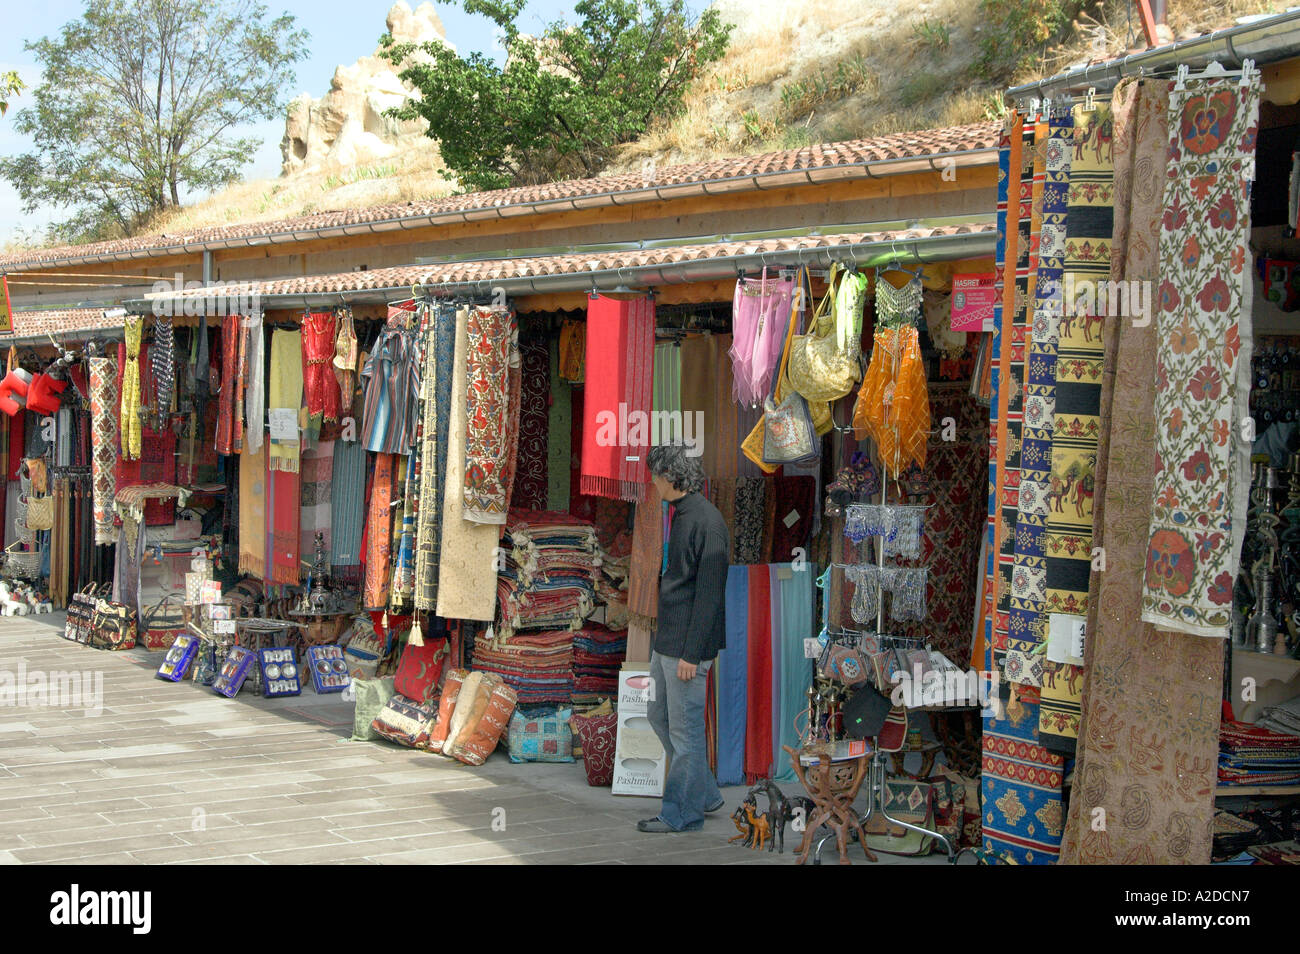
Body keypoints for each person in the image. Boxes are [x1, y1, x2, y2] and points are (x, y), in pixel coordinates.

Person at [637, 443, 729, 833]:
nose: (653, 483)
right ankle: (703, 792)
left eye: (656, 476)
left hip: (687, 649)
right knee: (656, 715)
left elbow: (709, 594)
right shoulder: (683, 513)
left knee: (686, 732)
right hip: (669, 642)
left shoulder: (706, 522)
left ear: (670, 479)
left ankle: (681, 813)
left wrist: (692, 654)